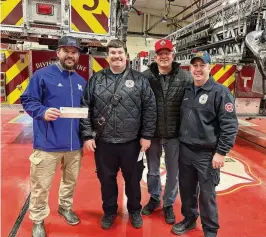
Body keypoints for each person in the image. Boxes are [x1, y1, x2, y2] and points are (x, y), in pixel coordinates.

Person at [79, 39, 156, 229]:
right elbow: (85, 108)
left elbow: (150, 109)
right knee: (106, 181)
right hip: (104, 143)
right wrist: (88, 135)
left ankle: (135, 211)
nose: (116, 56)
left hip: (132, 143)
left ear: (126, 56)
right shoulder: (96, 80)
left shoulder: (140, 80)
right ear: (107, 57)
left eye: (120, 52)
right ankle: (109, 211)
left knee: (133, 181)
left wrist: (146, 136)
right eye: (112, 53)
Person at [20, 36, 86, 237]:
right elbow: (28, 100)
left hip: (75, 145)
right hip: (48, 144)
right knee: (41, 185)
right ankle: (38, 219)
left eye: (74, 52)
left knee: (70, 181)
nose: (70, 55)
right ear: (58, 53)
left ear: (78, 56)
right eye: (66, 50)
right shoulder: (42, 76)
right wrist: (42, 111)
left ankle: (65, 207)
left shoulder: (81, 81)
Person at [171, 51, 238, 237]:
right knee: (186, 190)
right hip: (185, 151)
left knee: (207, 195)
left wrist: (221, 152)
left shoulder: (220, 92)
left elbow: (230, 125)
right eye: (195, 66)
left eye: (202, 65)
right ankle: (189, 219)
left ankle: (210, 230)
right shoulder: (186, 90)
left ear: (209, 67)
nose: (198, 69)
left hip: (207, 155)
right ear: (190, 68)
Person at [141, 39, 192, 224]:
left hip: (175, 134)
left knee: (173, 172)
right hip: (152, 134)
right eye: (160, 53)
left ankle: (169, 203)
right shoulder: (145, 77)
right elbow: (139, 105)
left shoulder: (185, 77)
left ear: (173, 55)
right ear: (155, 57)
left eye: (167, 53)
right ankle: (154, 198)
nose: (164, 56)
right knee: (153, 170)